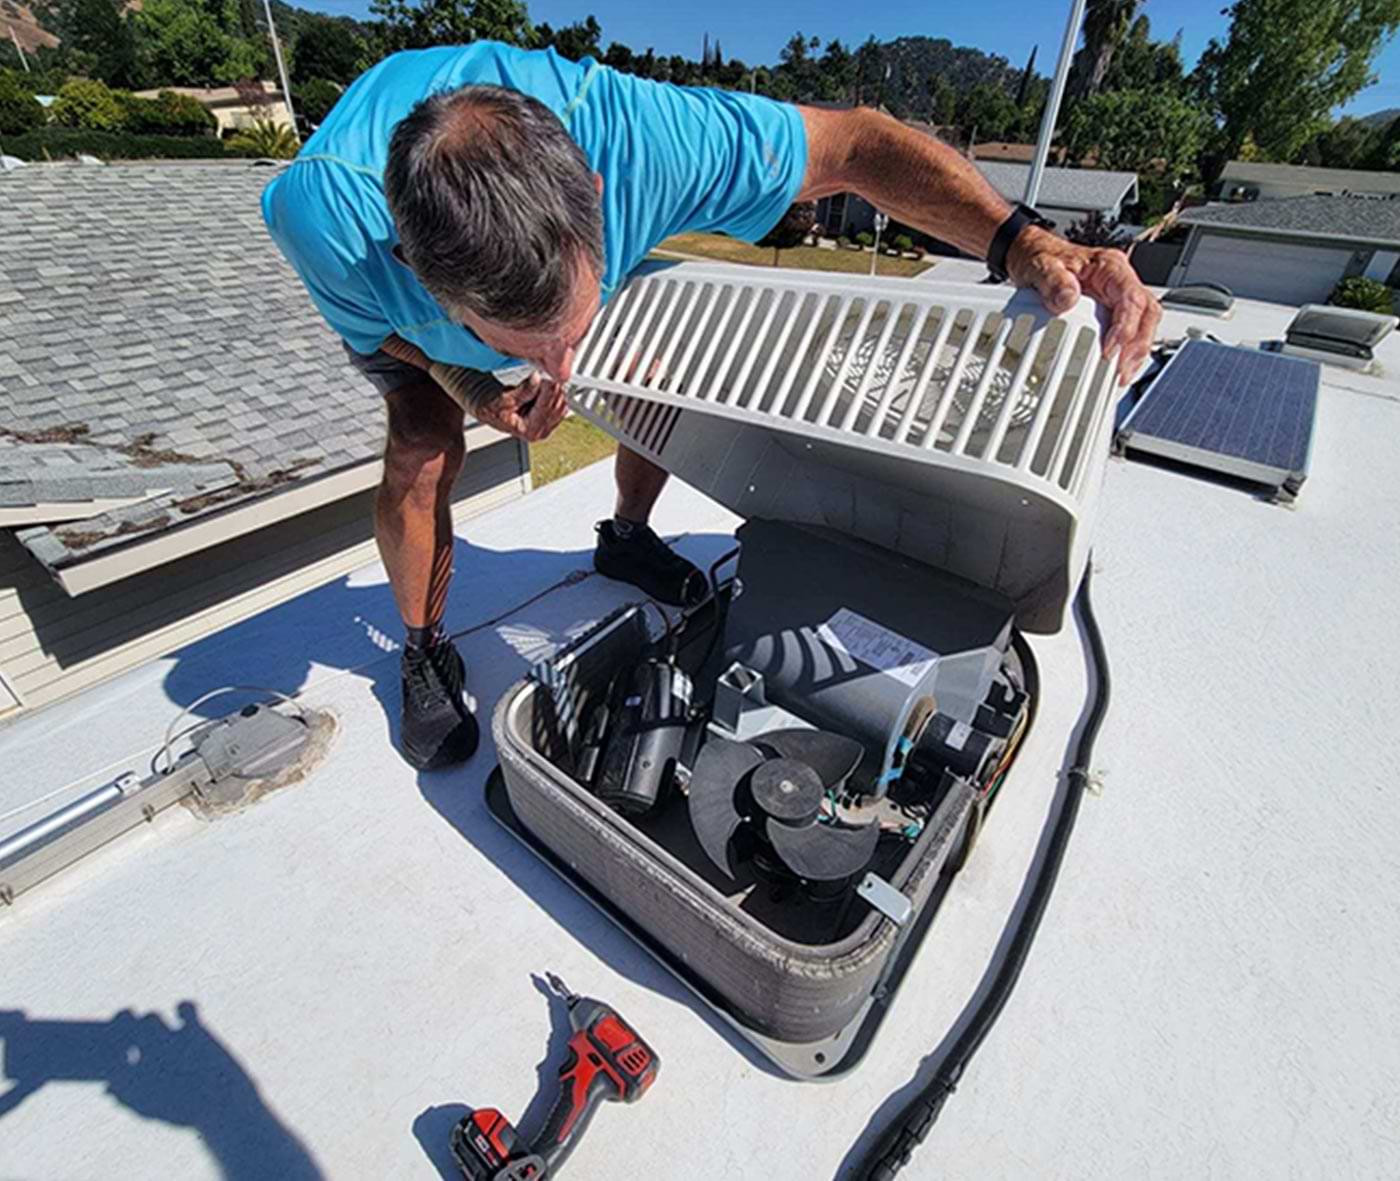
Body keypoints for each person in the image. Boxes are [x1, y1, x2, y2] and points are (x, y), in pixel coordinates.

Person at [263, 42, 1160, 771]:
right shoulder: (325, 222)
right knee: (422, 449)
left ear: (600, 205)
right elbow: (392, 340)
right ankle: (421, 649)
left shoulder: (646, 140)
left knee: (653, 355)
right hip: (411, 332)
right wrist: (473, 390)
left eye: (571, 325)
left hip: (531, 267)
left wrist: (1024, 243)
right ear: (425, 279)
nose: (567, 371)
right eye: (527, 344)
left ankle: (624, 533)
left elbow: (856, 142)